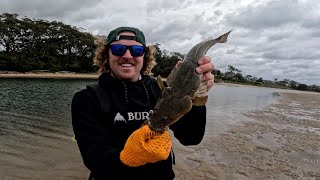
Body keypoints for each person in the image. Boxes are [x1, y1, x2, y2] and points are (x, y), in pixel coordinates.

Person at [71, 26, 215, 180]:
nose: (127, 55)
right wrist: (129, 157)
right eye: (119, 49)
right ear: (106, 55)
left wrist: (198, 97)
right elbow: (94, 159)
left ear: (144, 57)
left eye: (136, 51)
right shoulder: (87, 98)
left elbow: (191, 138)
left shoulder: (159, 89)